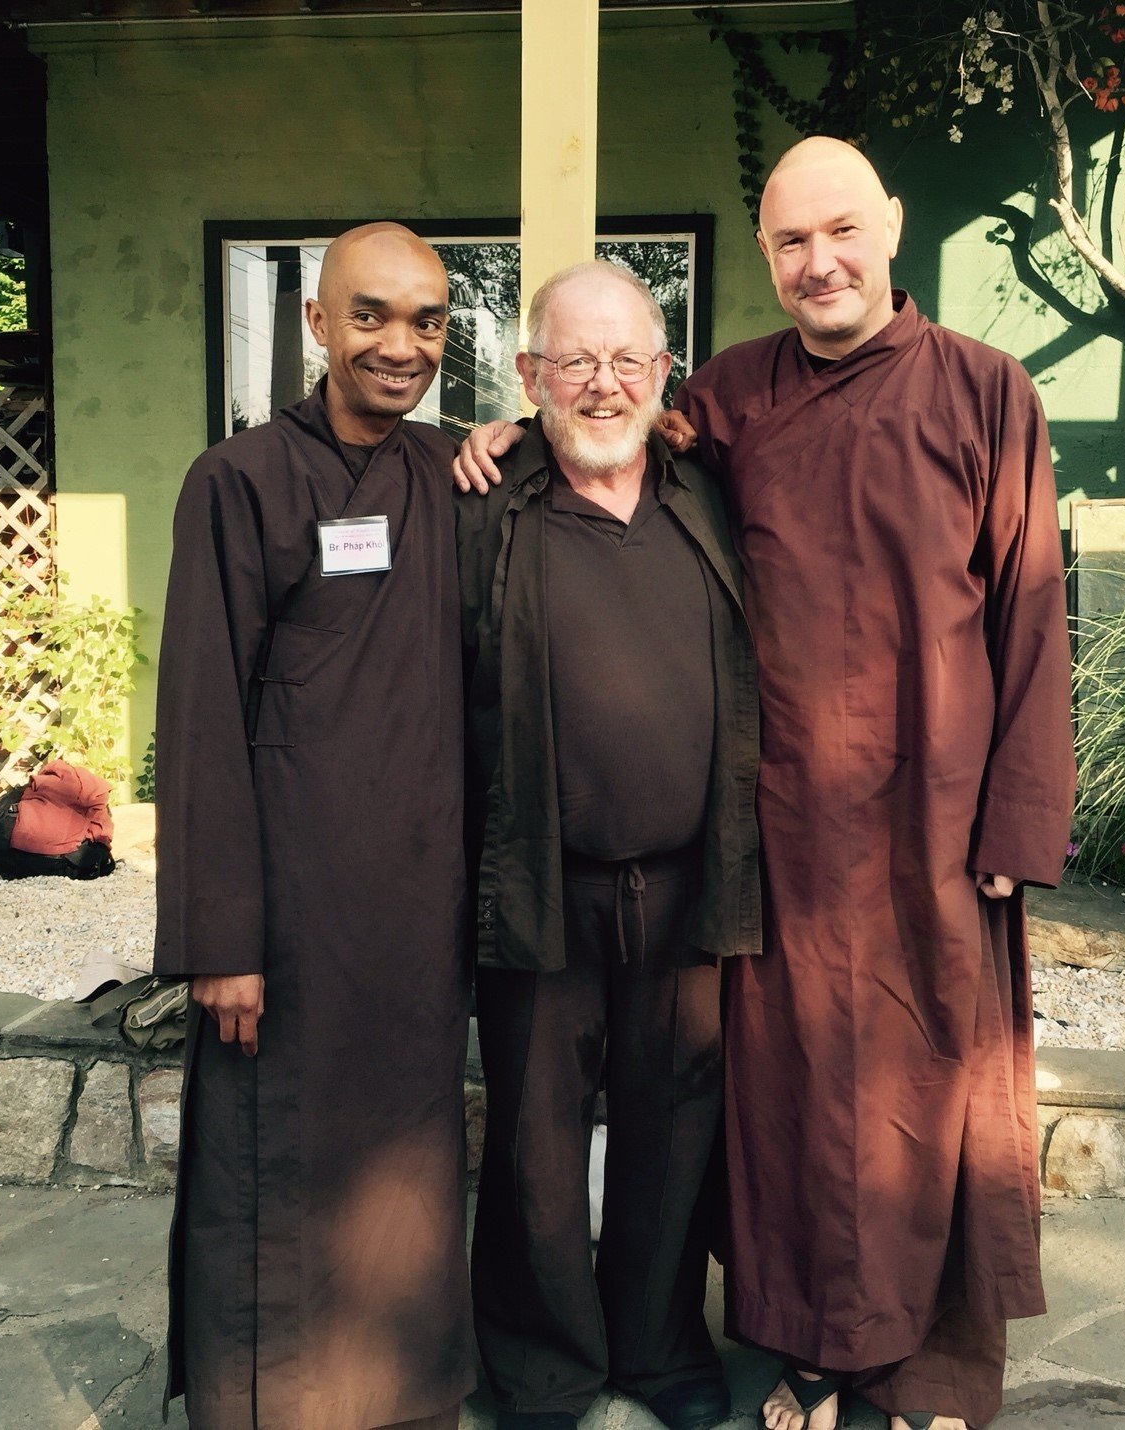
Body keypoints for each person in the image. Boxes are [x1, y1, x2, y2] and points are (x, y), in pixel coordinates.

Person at [454, 139, 1077, 1430]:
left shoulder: (985, 391)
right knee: (795, 1099)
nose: (819, 262)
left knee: (929, 1095)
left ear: (891, 226)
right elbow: (609, 430)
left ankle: (921, 1369)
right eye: (790, 243)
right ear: (765, 260)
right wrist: (510, 430)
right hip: (779, 824)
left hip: (936, 818)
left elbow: (1030, 608)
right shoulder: (731, 394)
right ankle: (807, 1345)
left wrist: (1018, 813)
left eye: (839, 230)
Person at [154, 223, 472, 1430]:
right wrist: (219, 936)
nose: (402, 344)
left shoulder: (449, 475)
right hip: (284, 913)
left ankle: (401, 1389)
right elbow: (197, 724)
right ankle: (267, 1403)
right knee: (270, 1158)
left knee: (402, 1161)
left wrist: (655, 422)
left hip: (410, 904)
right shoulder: (236, 480)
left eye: (429, 320)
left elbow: (581, 457)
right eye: (374, 314)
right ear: (317, 324)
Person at [456, 260, 762, 1430]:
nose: (601, 383)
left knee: (675, 1121)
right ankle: (542, 1362)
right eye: (572, 361)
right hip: (539, 881)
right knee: (534, 1136)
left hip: (691, 880)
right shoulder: (480, 499)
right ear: (527, 376)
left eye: (625, 358)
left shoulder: (707, 489)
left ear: (661, 369)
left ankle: (659, 1342)